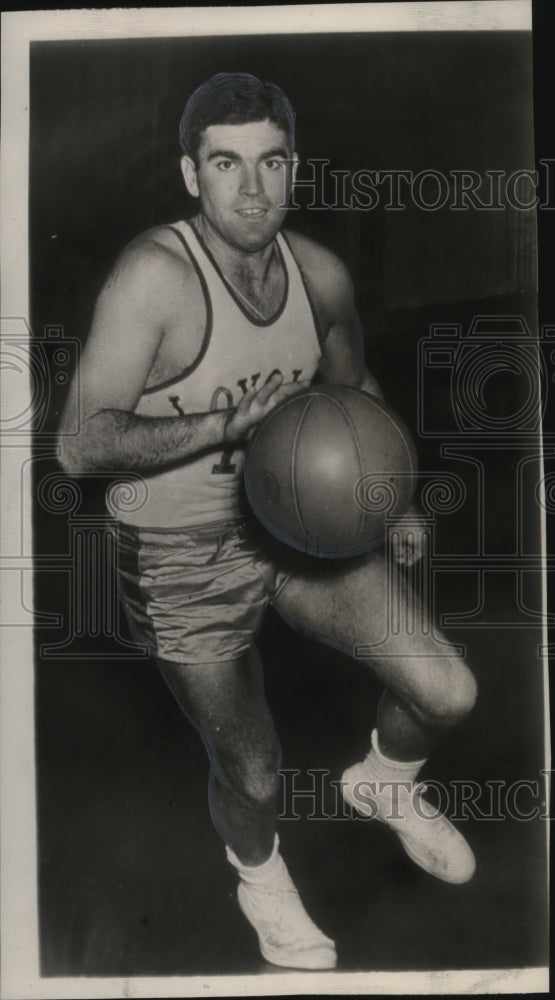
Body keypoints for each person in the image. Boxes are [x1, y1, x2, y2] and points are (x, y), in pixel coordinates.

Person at [58, 72, 477, 971]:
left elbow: (352, 386)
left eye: (271, 162)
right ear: (189, 175)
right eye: (225, 164)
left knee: (446, 692)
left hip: (295, 531)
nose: (251, 188)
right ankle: (261, 878)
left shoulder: (318, 274)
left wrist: (392, 496)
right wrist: (224, 425)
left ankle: (383, 782)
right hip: (178, 557)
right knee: (252, 771)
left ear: (294, 169)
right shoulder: (154, 280)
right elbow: (79, 447)